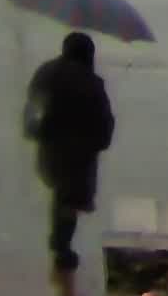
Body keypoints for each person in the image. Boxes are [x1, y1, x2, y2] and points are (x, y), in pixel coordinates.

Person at [23, 30, 117, 271]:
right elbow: (104, 123)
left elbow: (33, 105)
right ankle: (61, 247)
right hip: (78, 156)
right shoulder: (91, 83)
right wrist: (99, 142)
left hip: (49, 149)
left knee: (61, 195)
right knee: (68, 200)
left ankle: (60, 245)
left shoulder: (46, 72)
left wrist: (33, 130)